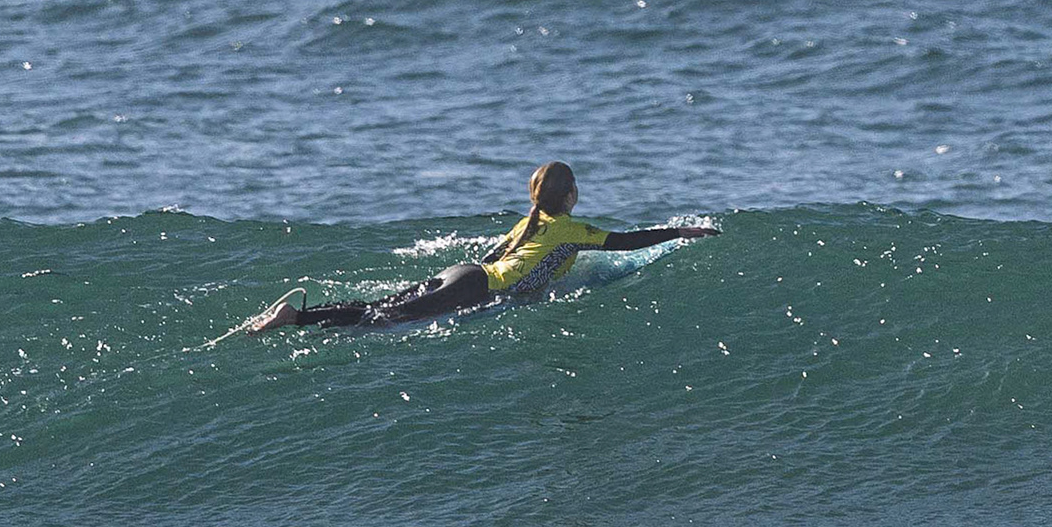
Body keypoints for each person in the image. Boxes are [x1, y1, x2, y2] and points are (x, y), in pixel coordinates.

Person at [248, 161, 717, 331]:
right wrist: (680, 232)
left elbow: (494, 258)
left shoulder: (528, 222)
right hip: (477, 288)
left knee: (383, 306)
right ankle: (297, 318)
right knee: (384, 319)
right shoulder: (570, 229)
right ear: (569, 196)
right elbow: (626, 242)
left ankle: (300, 317)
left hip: (466, 273)